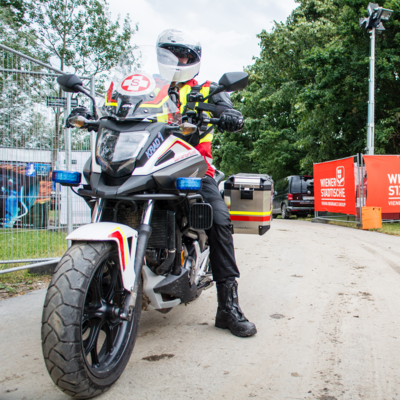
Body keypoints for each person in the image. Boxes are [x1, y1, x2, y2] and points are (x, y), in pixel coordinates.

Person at [157, 29, 257, 337]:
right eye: (172, 53)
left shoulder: (205, 89)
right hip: (147, 165)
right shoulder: (150, 90)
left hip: (193, 169)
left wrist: (230, 116)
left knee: (218, 219)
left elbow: (230, 110)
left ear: (194, 59)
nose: (179, 60)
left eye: (184, 54)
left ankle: (227, 306)